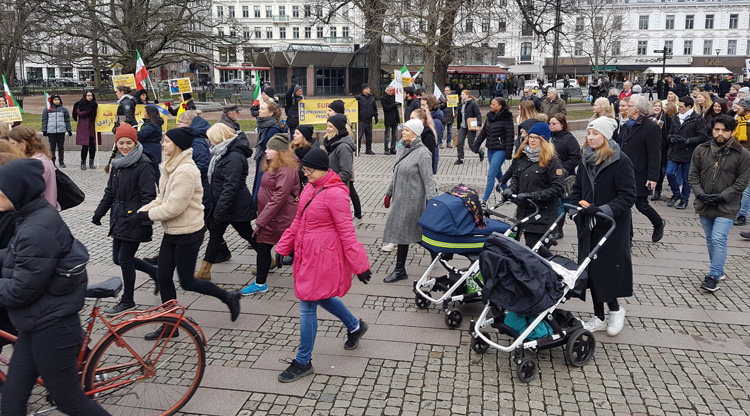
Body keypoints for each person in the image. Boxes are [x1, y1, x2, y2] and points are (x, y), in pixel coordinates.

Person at [0, 159, 111, 415]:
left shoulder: (37, 228)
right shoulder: (29, 218)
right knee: (12, 402)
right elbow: (19, 257)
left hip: (52, 328)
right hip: (35, 322)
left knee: (70, 401)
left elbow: (20, 289)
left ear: (18, 190)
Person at [274, 148, 372, 383]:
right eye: (304, 169)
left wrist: (360, 265)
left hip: (323, 256)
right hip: (308, 253)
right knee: (319, 296)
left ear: (323, 169)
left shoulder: (337, 193)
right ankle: (355, 326)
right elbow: (299, 220)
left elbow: (347, 232)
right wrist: (283, 246)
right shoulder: (310, 187)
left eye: (309, 170)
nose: (305, 174)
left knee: (307, 303)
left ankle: (303, 360)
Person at [137, 127, 242, 338]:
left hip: (188, 233)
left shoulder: (185, 171)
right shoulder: (169, 166)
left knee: (187, 282)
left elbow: (174, 207)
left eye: (166, 141)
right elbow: (162, 199)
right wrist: (140, 212)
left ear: (176, 144)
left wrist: (145, 217)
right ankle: (170, 325)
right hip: (172, 231)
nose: (163, 145)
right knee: (164, 276)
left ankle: (228, 297)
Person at [571, 116, 636, 336]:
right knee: (589, 271)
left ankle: (616, 310)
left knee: (606, 271)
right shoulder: (585, 159)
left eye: (595, 133)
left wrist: (603, 210)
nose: (590, 137)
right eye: (589, 133)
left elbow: (628, 196)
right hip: (588, 224)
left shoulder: (621, 160)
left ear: (606, 136)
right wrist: (575, 207)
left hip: (611, 226)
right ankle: (599, 316)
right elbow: (578, 190)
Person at [93, 124, 159, 315]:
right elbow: (110, 192)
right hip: (119, 216)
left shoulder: (143, 164)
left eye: (128, 143)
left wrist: (145, 220)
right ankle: (154, 272)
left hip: (135, 218)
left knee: (124, 259)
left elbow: (149, 196)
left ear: (135, 142)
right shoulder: (117, 163)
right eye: (121, 143)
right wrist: (99, 213)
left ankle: (128, 299)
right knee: (117, 258)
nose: (124, 146)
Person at [689, 115, 750, 291]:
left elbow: (742, 182)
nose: (720, 133)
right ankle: (719, 269)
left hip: (727, 205)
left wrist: (723, 196)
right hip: (705, 203)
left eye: (724, 130)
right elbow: (693, 175)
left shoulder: (742, 154)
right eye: (717, 129)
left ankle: (714, 275)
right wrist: (700, 194)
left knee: (718, 238)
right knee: (710, 239)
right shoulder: (701, 150)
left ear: (732, 132)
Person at [195, 123, 256, 281]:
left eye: (211, 139)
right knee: (216, 235)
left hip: (234, 205)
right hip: (225, 203)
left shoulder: (233, 155)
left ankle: (267, 259)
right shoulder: (222, 152)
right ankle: (204, 270)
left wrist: (220, 209)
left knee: (246, 233)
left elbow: (231, 186)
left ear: (219, 138)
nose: (210, 143)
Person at [242, 133, 300, 294]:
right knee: (263, 247)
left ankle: (310, 279)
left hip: (282, 218)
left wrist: (261, 219)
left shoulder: (287, 169)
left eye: (270, 148)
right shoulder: (272, 164)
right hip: (270, 217)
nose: (265, 151)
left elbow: (280, 196)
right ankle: (260, 283)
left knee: (293, 249)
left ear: (280, 151)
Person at [382, 119, 437, 282]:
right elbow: (396, 173)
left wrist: (432, 203)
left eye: (406, 130)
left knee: (405, 233)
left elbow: (429, 181)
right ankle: (436, 252)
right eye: (403, 129)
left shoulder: (423, 153)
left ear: (415, 133)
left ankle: (400, 270)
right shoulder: (402, 150)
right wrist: (389, 193)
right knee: (410, 233)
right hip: (400, 199)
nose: (402, 132)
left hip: (413, 201)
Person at [501, 122, 565, 253]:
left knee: (536, 252)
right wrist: (511, 189)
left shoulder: (552, 161)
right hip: (524, 213)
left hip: (542, 214)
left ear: (544, 140)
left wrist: (532, 196)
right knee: (521, 250)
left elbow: (558, 189)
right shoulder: (522, 157)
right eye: (530, 137)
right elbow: (516, 178)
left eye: (536, 137)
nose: (532, 140)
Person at [617, 96, 665, 242]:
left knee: (641, 204)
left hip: (640, 172)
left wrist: (653, 177)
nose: (625, 108)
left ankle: (658, 223)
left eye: (629, 106)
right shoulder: (626, 126)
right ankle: (627, 237)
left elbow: (655, 154)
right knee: (625, 205)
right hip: (625, 171)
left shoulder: (651, 127)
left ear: (637, 109)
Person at [666, 96, 709, 209]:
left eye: (681, 106)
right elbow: (670, 132)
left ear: (688, 107)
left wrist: (688, 141)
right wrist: (671, 138)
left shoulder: (697, 119)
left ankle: (684, 199)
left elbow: (703, 137)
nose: (678, 108)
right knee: (669, 173)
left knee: (686, 178)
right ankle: (676, 194)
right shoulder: (675, 118)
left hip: (688, 152)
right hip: (675, 150)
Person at [470, 97, 514, 204]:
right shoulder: (490, 116)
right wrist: (476, 145)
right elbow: (484, 132)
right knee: (499, 174)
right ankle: (507, 194)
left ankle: (484, 201)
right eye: (491, 104)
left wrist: (508, 152)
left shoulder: (507, 118)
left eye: (493, 104)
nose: (491, 106)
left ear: (500, 106)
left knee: (491, 175)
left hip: (501, 150)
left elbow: (510, 137)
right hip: (490, 149)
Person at [7, 126, 59, 210]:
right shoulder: (42, 156)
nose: (12, 147)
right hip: (47, 207)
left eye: (13, 143)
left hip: (40, 209)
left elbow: (33, 190)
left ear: (23, 142)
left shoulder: (36, 162)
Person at [548, 113, 583, 239]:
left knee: (561, 204)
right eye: (550, 123)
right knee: (553, 204)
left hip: (563, 177)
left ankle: (558, 229)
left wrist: (563, 169)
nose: (551, 125)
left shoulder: (569, 139)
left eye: (554, 123)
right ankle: (553, 227)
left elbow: (576, 157)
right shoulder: (548, 137)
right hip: (548, 176)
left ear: (562, 125)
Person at [253, 101, 286, 206]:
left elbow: (272, 150)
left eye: (262, 109)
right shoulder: (263, 125)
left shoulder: (272, 129)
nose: (259, 110)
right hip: (262, 159)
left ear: (271, 113)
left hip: (268, 162)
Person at [731, 98, 750, 226]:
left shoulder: (746, 123)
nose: (737, 107)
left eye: (740, 105)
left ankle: (742, 215)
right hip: (737, 157)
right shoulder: (738, 121)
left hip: (747, 158)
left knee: (746, 189)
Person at [72, 90, 101, 170]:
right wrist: (89, 110)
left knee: (93, 146)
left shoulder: (94, 105)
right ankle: (83, 162)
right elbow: (80, 114)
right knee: (84, 146)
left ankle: (91, 162)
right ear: (85, 96)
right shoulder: (80, 104)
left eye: (91, 95)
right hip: (84, 127)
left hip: (92, 127)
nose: (90, 97)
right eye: (88, 95)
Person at [649, 100, 672, 201]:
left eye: (659, 106)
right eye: (655, 106)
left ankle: (658, 190)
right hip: (649, 146)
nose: (657, 108)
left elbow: (669, 132)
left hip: (662, 147)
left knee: (660, 170)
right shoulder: (647, 117)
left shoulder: (666, 118)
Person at [41, 94, 72, 168]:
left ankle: (61, 161)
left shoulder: (63, 109)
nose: (57, 101)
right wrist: (44, 130)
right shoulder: (47, 110)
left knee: (61, 147)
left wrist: (69, 129)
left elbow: (67, 120)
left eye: (58, 99)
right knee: (52, 147)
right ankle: (52, 162)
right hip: (51, 131)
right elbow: (44, 120)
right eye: (55, 100)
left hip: (61, 131)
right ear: (52, 101)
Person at [455, 90, 483, 165]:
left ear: (468, 95)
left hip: (471, 126)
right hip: (463, 126)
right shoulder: (461, 104)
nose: (461, 96)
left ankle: (480, 152)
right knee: (459, 142)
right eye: (461, 94)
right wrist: (458, 128)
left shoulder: (473, 104)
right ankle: (460, 158)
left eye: (463, 94)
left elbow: (478, 115)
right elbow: (459, 117)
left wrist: (479, 125)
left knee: (471, 144)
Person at [411, 108, 438, 174]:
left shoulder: (428, 136)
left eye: (413, 118)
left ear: (422, 121)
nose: (410, 121)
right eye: (410, 118)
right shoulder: (412, 133)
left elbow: (430, 158)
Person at [421, 94, 444, 172]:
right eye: (421, 105)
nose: (421, 107)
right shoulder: (424, 117)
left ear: (430, 106)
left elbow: (432, 139)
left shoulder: (436, 121)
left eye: (424, 105)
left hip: (429, 153)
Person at [355, 83, 378, 154]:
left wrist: (376, 116)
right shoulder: (359, 98)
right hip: (361, 120)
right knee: (359, 136)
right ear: (363, 90)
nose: (369, 89)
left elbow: (374, 108)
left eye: (369, 88)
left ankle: (368, 149)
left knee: (369, 136)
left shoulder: (372, 98)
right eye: (367, 88)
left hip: (369, 120)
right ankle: (357, 149)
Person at [382, 86, 400, 154]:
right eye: (390, 90)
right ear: (386, 91)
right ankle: (386, 149)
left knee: (394, 134)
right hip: (388, 118)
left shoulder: (395, 97)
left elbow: (397, 106)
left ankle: (393, 148)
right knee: (387, 135)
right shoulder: (384, 98)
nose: (392, 92)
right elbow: (386, 108)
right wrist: (394, 105)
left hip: (395, 118)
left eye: (392, 90)